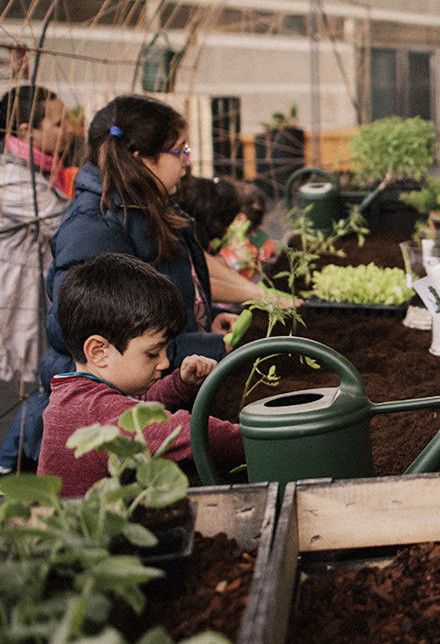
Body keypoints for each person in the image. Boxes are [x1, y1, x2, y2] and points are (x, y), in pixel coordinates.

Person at [5, 95, 289, 472]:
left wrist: (207, 315)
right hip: (114, 417)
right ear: (142, 159)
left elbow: (172, 283)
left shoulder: (147, 205)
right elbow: (73, 324)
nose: (186, 162)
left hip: (152, 389)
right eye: (179, 151)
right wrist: (193, 343)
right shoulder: (94, 226)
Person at [39, 253, 243, 497]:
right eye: (153, 353)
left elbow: (136, 410)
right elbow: (191, 433)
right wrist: (253, 437)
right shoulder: (93, 409)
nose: (165, 362)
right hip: (84, 533)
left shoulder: (77, 392)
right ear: (99, 351)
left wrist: (179, 383)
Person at [0, 85, 71, 473]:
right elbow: (66, 220)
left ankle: (16, 463)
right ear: (26, 130)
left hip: (33, 302)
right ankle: (10, 466)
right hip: (16, 303)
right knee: (38, 384)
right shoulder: (11, 181)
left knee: (45, 382)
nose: (68, 130)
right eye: (58, 123)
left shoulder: (39, 173)